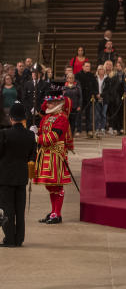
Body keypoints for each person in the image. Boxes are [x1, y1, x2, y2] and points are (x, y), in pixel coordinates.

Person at [34, 84, 74, 225]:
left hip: (56, 154)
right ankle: (53, 211)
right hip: (46, 153)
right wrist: (36, 131)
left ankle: (57, 213)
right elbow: (43, 130)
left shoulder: (61, 117)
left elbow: (54, 136)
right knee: (50, 186)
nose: (47, 104)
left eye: (50, 102)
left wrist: (38, 139)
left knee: (56, 186)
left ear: (57, 102)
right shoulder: (48, 116)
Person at [0, 103, 36, 247]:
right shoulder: (30, 135)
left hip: (5, 177)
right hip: (21, 177)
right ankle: (19, 238)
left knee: (7, 209)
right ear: (23, 118)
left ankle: (9, 239)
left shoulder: (4, 134)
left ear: (11, 118)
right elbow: (32, 156)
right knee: (19, 210)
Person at [76, 62, 97, 138]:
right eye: (86, 66)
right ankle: (78, 130)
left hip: (89, 97)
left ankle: (89, 130)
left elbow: (95, 86)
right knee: (79, 114)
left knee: (89, 115)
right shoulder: (78, 75)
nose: (88, 68)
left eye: (89, 66)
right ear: (83, 67)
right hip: (80, 97)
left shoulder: (92, 76)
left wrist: (96, 93)